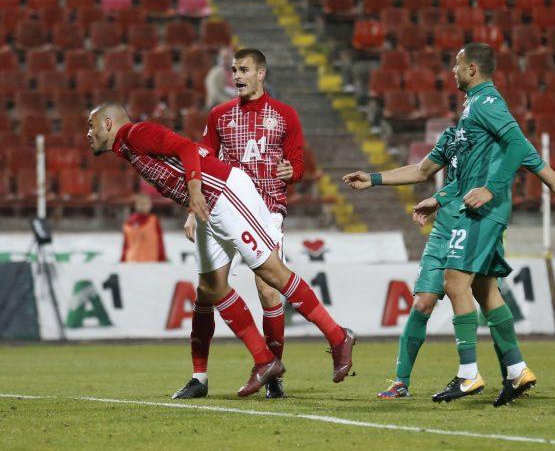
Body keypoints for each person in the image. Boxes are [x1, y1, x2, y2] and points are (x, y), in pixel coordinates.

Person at [86, 102, 355, 398]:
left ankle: (338, 335)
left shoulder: (136, 133)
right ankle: (263, 360)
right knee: (211, 287)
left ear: (109, 124)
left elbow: (187, 148)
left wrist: (194, 191)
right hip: (209, 206)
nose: (89, 133)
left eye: (92, 125)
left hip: (224, 192)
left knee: (271, 272)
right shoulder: (128, 146)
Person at [343, 127, 555, 403]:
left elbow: (552, 179)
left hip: (478, 227)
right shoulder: (457, 134)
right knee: (425, 303)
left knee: (488, 295)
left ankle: (502, 373)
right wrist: (375, 179)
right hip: (444, 230)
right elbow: (423, 170)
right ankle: (403, 381)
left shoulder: (509, 140)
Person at [176, 48, 305, 400]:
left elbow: (297, 162)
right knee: (207, 290)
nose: (236, 76)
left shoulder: (286, 115)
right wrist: (192, 207)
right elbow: (200, 162)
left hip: (266, 210)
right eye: (234, 70)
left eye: (243, 70)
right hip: (222, 210)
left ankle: (273, 372)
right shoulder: (218, 115)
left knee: (268, 289)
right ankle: (198, 377)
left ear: (261, 73)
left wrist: (292, 171)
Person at [120, 193, 167, 263]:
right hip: (141, 260)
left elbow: (160, 241)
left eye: (145, 203)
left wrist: (123, 259)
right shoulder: (152, 220)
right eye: (142, 203)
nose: (144, 205)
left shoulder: (129, 222)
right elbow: (126, 244)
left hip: (141, 260)